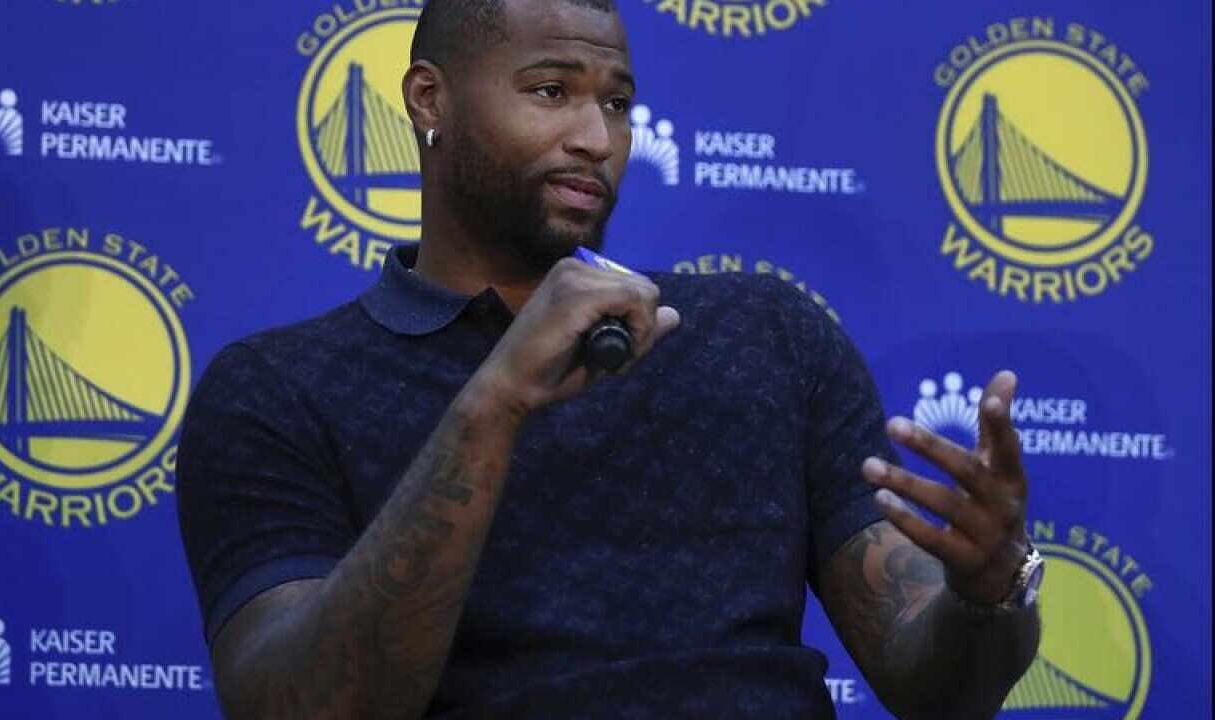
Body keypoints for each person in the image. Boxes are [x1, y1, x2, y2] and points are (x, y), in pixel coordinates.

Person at [175, 1, 1041, 717]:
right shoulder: (276, 391)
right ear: (429, 101)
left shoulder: (764, 335)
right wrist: (494, 404)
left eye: (619, 104)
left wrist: (987, 597)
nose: (596, 135)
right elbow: (294, 706)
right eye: (551, 91)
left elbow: (939, 689)